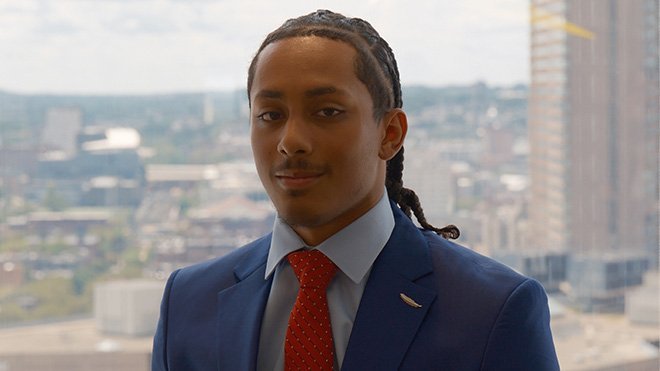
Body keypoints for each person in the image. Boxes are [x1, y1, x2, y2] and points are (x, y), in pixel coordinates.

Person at [152, 9, 559, 371]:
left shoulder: (492, 312)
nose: (290, 141)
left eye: (327, 112)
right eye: (270, 114)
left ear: (391, 133)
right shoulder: (187, 303)